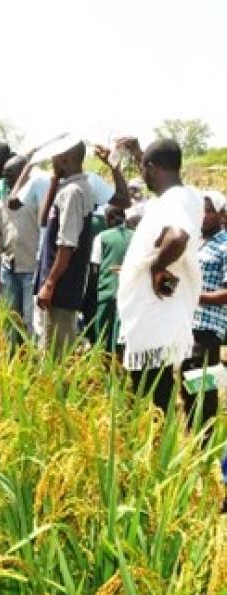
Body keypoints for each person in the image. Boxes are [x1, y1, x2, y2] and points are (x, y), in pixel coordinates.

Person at [116, 138, 204, 414]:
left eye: (143, 168)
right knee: (159, 391)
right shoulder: (185, 195)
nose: (142, 175)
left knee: (151, 397)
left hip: (154, 319)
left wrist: (155, 267)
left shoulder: (175, 200)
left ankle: (155, 453)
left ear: (152, 168)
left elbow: (177, 237)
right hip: (159, 317)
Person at [34, 140, 94, 356]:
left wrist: (49, 284)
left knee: (54, 356)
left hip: (61, 289)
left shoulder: (72, 192)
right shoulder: (71, 188)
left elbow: (66, 244)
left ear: (66, 159)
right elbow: (43, 220)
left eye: (55, 156)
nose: (52, 160)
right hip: (61, 288)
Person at [183, 190, 227, 433]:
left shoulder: (225, 245)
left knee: (202, 386)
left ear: (221, 214)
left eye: (209, 210)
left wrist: (192, 297)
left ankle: (205, 443)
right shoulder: (195, 242)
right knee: (188, 385)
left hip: (207, 328)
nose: (203, 215)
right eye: (201, 209)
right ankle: (193, 441)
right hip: (187, 325)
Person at [0, 155, 39, 346]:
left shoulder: (36, 197)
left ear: (24, 174)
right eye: (4, 175)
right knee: (9, 319)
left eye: (10, 175)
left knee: (29, 323)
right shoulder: (3, 199)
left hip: (30, 270)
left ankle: (32, 366)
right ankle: (11, 363)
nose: (6, 179)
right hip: (8, 268)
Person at [89, 206, 133, 354]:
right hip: (129, 294)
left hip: (107, 292)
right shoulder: (136, 236)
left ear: (109, 219)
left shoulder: (102, 237)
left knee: (103, 336)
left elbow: (95, 267)